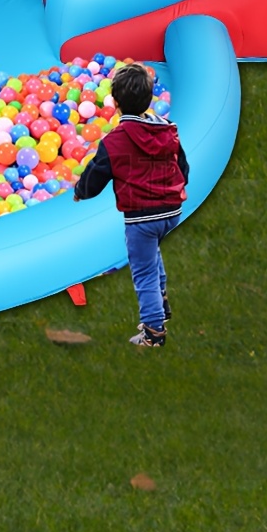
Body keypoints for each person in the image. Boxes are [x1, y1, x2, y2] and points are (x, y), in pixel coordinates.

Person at [73, 61, 189, 347]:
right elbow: (182, 165)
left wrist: (80, 191)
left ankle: (153, 333)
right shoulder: (166, 128)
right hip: (171, 210)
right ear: (149, 99)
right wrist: (178, 186)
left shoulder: (116, 141)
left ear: (114, 102)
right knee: (152, 255)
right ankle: (161, 303)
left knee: (144, 271)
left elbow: (96, 174)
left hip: (142, 218)